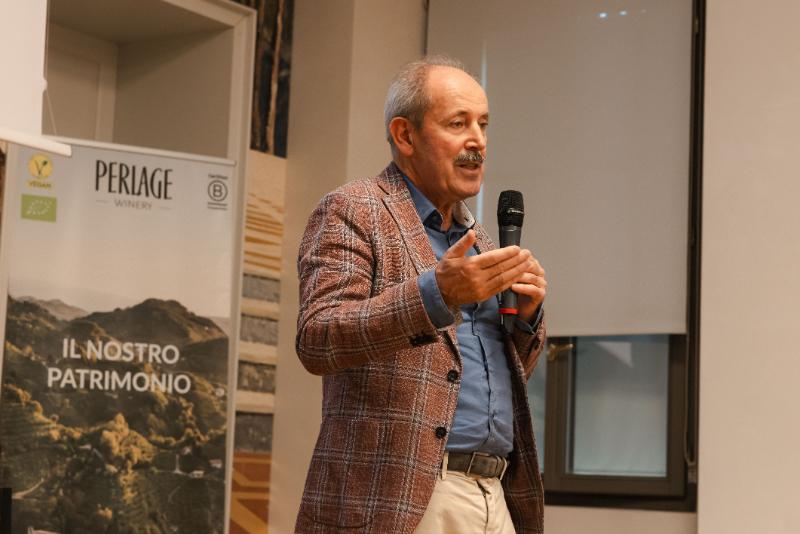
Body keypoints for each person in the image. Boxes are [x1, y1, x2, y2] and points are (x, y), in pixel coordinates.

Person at [295, 56, 547, 534]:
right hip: (405, 496)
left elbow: (497, 377)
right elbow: (318, 337)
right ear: (405, 135)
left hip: (495, 492)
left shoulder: (480, 241)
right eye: (458, 123)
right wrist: (435, 294)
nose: (478, 141)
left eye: (483, 124)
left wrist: (526, 319)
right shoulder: (354, 209)